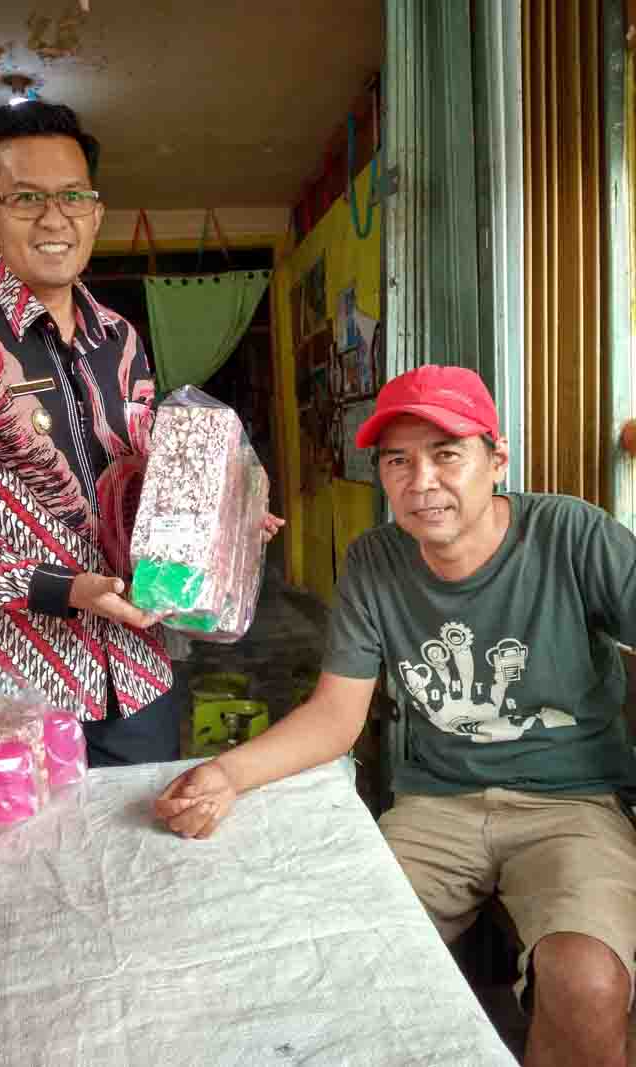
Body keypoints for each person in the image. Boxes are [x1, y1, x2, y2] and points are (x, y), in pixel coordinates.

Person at [155, 364, 636, 1067]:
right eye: (398, 461)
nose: (422, 482)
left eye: (447, 454)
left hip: (573, 804)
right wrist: (227, 775)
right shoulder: (375, 562)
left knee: (588, 980)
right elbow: (335, 715)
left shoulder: (570, 534)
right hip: (436, 803)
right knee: (337, 954)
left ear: (497, 459)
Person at [0, 101, 283, 768]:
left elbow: (151, 477)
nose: (53, 218)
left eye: (72, 196)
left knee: (142, 833)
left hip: (137, 677)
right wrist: (65, 589)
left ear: (96, 214)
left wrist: (223, 518)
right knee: (30, 843)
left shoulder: (121, 339)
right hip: (5, 689)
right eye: (25, 198)